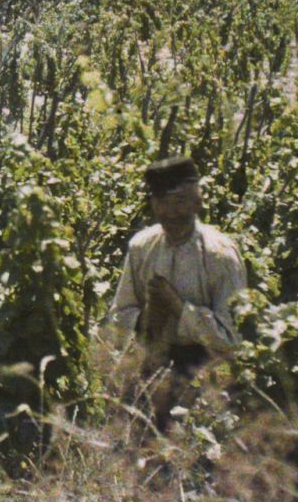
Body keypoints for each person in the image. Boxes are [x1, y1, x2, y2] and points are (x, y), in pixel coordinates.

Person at [105, 154, 247, 430]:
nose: (170, 213)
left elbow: (232, 338)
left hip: (205, 374)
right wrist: (144, 319)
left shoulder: (221, 256)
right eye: (162, 203)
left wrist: (179, 309)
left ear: (198, 202)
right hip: (150, 366)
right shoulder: (141, 247)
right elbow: (118, 315)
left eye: (179, 201)